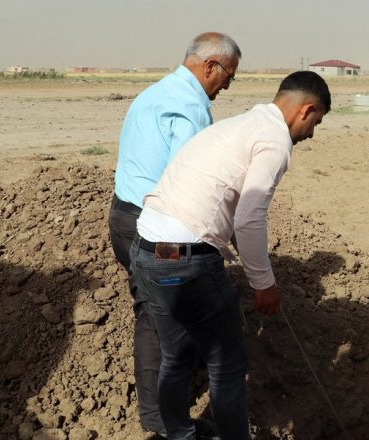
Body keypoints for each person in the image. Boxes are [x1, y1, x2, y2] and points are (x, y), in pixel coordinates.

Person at [130, 71, 331, 440]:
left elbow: (231, 208)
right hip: (187, 261)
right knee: (227, 364)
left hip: (147, 251)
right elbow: (251, 216)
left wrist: (245, 257)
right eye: (316, 123)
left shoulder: (243, 124)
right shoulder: (275, 140)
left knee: (176, 355)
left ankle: (178, 434)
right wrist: (263, 283)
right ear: (307, 110)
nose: (312, 133)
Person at [108, 32, 240, 437]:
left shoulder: (156, 92)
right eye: (229, 75)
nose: (228, 85)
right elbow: (193, 185)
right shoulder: (189, 109)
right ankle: (163, 422)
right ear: (210, 66)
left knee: (158, 310)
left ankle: (164, 410)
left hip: (124, 216)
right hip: (156, 230)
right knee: (158, 316)